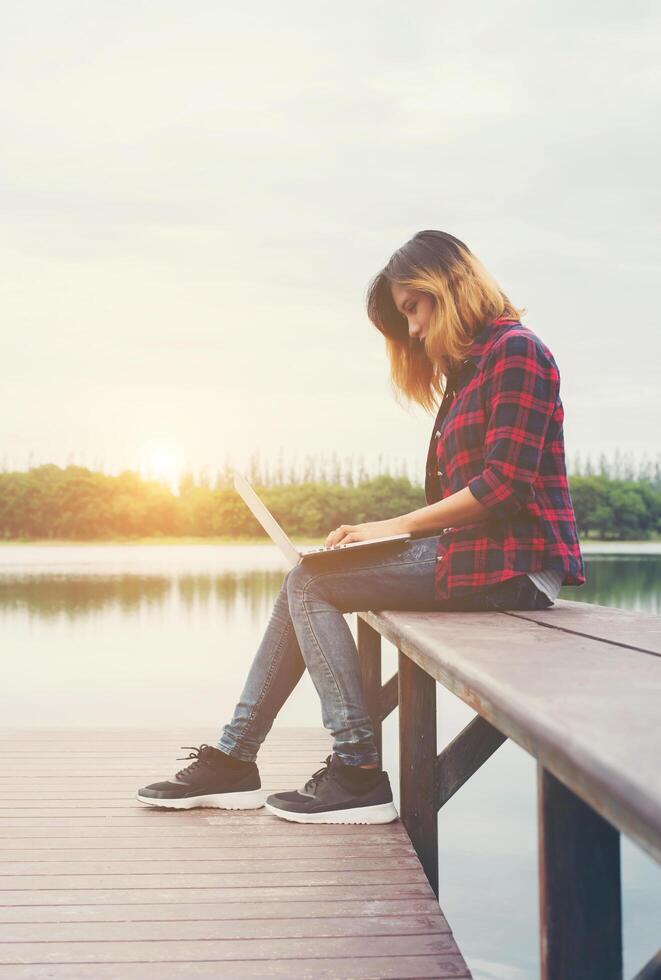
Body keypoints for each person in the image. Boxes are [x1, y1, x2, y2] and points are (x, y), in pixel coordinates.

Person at [137, 229, 586, 824]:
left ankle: (354, 772)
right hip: (482, 556)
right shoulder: (472, 371)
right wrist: (397, 539)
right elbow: (466, 498)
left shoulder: (518, 352)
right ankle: (235, 758)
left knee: (311, 582)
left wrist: (392, 527)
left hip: (518, 565)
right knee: (309, 575)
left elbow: (504, 487)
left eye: (413, 309)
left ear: (448, 284)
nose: (416, 331)